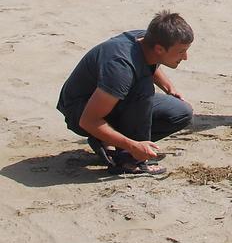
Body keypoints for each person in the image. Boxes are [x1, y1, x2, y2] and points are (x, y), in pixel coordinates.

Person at [56, 11, 194, 175]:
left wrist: (169, 88)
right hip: (80, 111)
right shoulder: (121, 68)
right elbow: (88, 120)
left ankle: (107, 141)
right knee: (144, 90)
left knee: (180, 112)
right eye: (181, 51)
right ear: (159, 48)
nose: (185, 57)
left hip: (110, 101)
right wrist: (132, 146)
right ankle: (128, 160)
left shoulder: (146, 39)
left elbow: (152, 62)